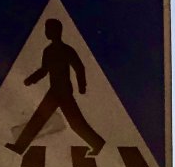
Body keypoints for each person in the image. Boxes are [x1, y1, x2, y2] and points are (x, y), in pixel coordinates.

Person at [6, 18, 104, 157]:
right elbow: (44, 70)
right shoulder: (48, 50)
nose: (47, 32)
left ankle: (97, 143)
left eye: (49, 29)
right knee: (38, 119)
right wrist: (31, 79)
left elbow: (79, 67)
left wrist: (82, 86)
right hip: (54, 91)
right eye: (46, 29)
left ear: (57, 32)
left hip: (64, 92)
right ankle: (20, 146)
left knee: (76, 123)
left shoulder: (67, 50)